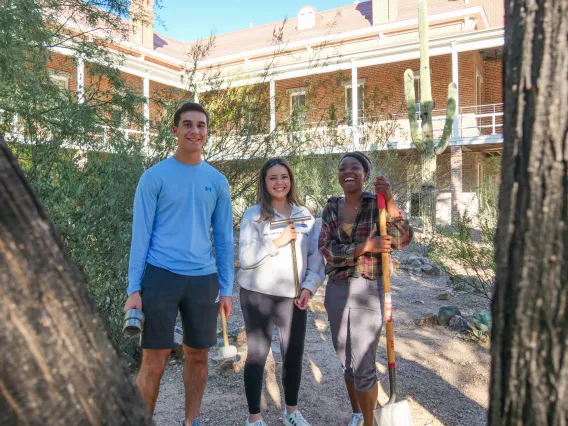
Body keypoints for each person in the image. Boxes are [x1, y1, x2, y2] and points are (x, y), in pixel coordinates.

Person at [124, 102, 234, 426]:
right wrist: (134, 288)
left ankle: (192, 421)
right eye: (187, 125)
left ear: (207, 132)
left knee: (198, 355)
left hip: (204, 281)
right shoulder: (154, 177)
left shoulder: (217, 181)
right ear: (175, 130)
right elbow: (139, 237)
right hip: (160, 277)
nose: (194, 131)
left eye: (201, 125)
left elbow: (225, 241)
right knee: (154, 361)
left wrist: (226, 289)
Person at [318, 151, 412, 426]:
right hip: (336, 288)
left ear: (365, 174)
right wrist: (365, 248)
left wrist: (391, 200)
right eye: (342, 167)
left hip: (369, 287)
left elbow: (403, 239)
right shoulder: (331, 208)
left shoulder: (378, 205)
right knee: (345, 360)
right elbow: (327, 250)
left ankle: (370, 423)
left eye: (355, 167)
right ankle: (358, 414)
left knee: (363, 364)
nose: (348, 171)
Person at [237, 158, 325, 426]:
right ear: (264, 182)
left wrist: (309, 287)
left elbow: (316, 258)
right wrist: (278, 241)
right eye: (273, 178)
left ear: (291, 180)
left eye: (284, 177)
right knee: (257, 353)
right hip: (257, 294)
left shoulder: (304, 216)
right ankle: (255, 418)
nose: (279, 182)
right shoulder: (254, 215)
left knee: (293, 353)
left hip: (294, 296)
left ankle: (291, 413)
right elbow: (246, 257)